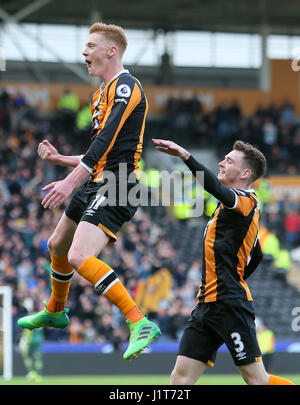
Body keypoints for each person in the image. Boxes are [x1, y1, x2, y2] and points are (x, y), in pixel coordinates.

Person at [17, 22, 161, 361]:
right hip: (99, 178)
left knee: (79, 256)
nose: (84, 52)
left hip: (119, 184)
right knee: (57, 245)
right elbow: (98, 152)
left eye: (90, 45)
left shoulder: (127, 86)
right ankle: (55, 310)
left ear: (111, 51)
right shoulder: (99, 94)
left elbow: (107, 141)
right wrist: (60, 159)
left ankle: (139, 321)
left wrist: (70, 182)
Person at [152, 138, 294, 385]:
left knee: (257, 380)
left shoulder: (245, 200)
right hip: (207, 305)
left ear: (245, 173)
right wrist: (231, 280)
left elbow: (215, 188)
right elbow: (256, 253)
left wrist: (186, 155)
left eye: (229, 160)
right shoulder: (233, 209)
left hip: (228, 304)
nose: (221, 162)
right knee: (180, 377)